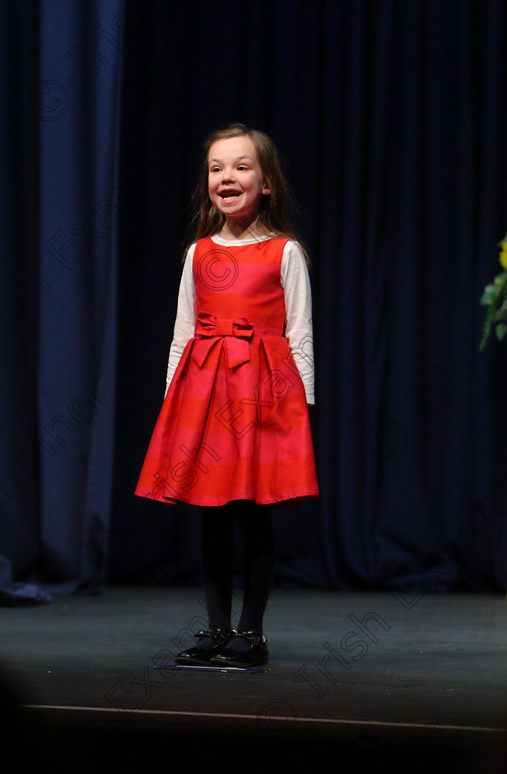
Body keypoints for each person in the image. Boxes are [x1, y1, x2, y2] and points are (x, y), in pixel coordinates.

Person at [134, 122, 318, 667]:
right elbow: (183, 331)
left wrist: (297, 409)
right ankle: (216, 631)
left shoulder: (284, 252)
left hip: (260, 397)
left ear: (267, 183)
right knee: (210, 515)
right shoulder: (198, 254)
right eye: (216, 169)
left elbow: (299, 335)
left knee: (252, 515)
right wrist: (174, 402)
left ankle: (252, 633)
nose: (226, 177)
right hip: (206, 394)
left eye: (241, 167)